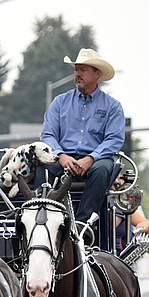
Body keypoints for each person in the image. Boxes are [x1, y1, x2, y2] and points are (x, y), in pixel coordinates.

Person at [40, 48, 125, 250]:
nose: (77, 74)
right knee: (40, 167)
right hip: (63, 158)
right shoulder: (60, 102)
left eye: (83, 70)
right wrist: (61, 156)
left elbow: (114, 139)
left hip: (95, 161)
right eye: (76, 70)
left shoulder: (112, 106)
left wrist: (91, 158)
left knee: (103, 168)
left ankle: (82, 224)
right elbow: (48, 135)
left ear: (97, 74)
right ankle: (43, 219)